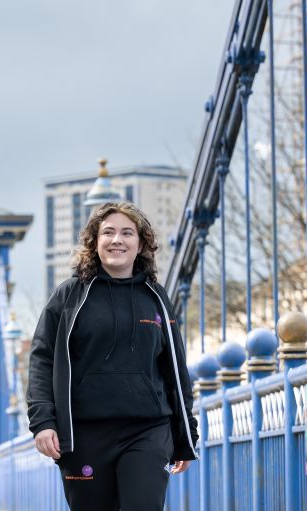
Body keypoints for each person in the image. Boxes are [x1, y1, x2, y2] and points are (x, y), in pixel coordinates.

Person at [26, 201, 198, 511]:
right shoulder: (69, 296)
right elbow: (42, 360)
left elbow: (175, 370)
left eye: (127, 233)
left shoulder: (157, 298)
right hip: (84, 435)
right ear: (94, 242)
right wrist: (43, 422)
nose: (117, 240)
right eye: (108, 232)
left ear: (141, 243)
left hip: (147, 430)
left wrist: (186, 437)